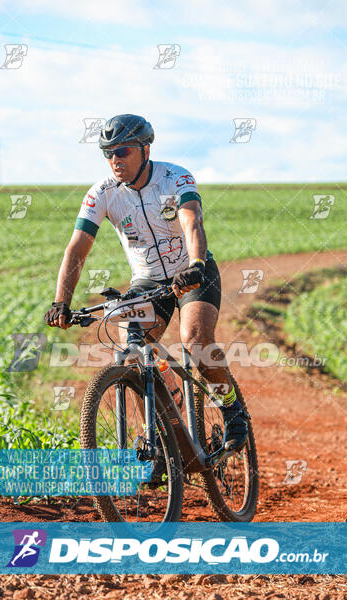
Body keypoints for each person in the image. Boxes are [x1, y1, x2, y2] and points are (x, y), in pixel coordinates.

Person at [44, 114, 249, 451]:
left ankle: (232, 410)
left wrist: (196, 264)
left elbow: (192, 221)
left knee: (195, 340)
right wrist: (60, 302)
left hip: (190, 272)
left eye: (122, 151)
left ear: (144, 149)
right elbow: (77, 247)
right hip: (148, 279)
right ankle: (156, 432)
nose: (115, 160)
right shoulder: (102, 193)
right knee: (134, 349)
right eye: (108, 153)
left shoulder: (175, 177)